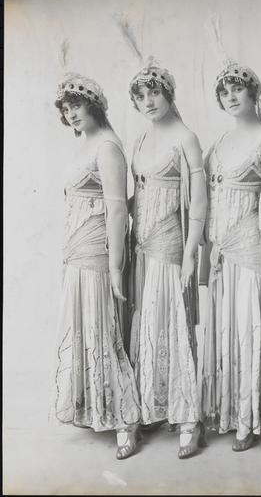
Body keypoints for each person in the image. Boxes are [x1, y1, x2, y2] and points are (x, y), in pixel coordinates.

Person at [51, 72, 141, 460]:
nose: (71, 114)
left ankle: (126, 420)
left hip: (98, 252)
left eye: (77, 105)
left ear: (94, 105)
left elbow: (118, 209)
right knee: (83, 326)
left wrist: (117, 267)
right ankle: (95, 406)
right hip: (76, 248)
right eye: (66, 109)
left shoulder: (107, 146)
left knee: (103, 329)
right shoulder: (85, 144)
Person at [201, 60, 261, 451]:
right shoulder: (219, 142)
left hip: (251, 246)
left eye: (237, 88)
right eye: (224, 91)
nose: (231, 96)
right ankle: (227, 410)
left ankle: (249, 418)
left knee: (248, 325)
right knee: (225, 326)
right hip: (222, 250)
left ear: (253, 92)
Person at [127, 60, 207, 459]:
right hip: (142, 245)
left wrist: (191, 252)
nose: (148, 101)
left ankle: (187, 415)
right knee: (147, 324)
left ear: (169, 94)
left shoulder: (186, 137)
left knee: (174, 321)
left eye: (154, 93)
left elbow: (199, 203)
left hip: (171, 245)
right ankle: (150, 405)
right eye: (141, 96)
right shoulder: (141, 139)